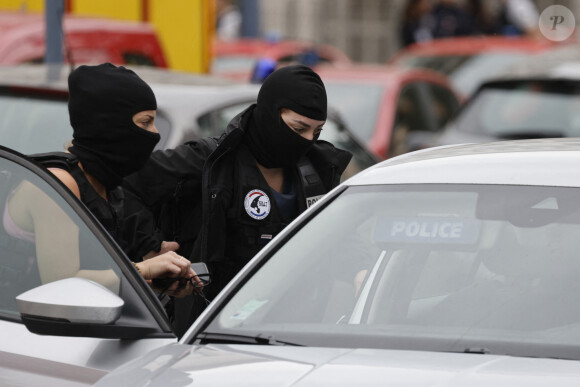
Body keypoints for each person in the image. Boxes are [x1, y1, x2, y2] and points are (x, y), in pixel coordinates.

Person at [123, 64, 353, 336]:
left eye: (316, 133)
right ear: (269, 114)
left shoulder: (318, 169)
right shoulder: (213, 161)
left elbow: (343, 237)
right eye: (298, 128)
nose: (306, 141)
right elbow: (126, 181)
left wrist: (359, 272)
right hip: (216, 333)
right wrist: (151, 248)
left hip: (296, 333)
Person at [7, 63, 200, 296]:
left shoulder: (107, 184)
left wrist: (159, 281)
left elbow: (102, 275)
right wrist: (144, 269)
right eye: (145, 122)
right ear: (111, 126)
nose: (154, 133)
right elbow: (61, 281)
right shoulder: (59, 182)